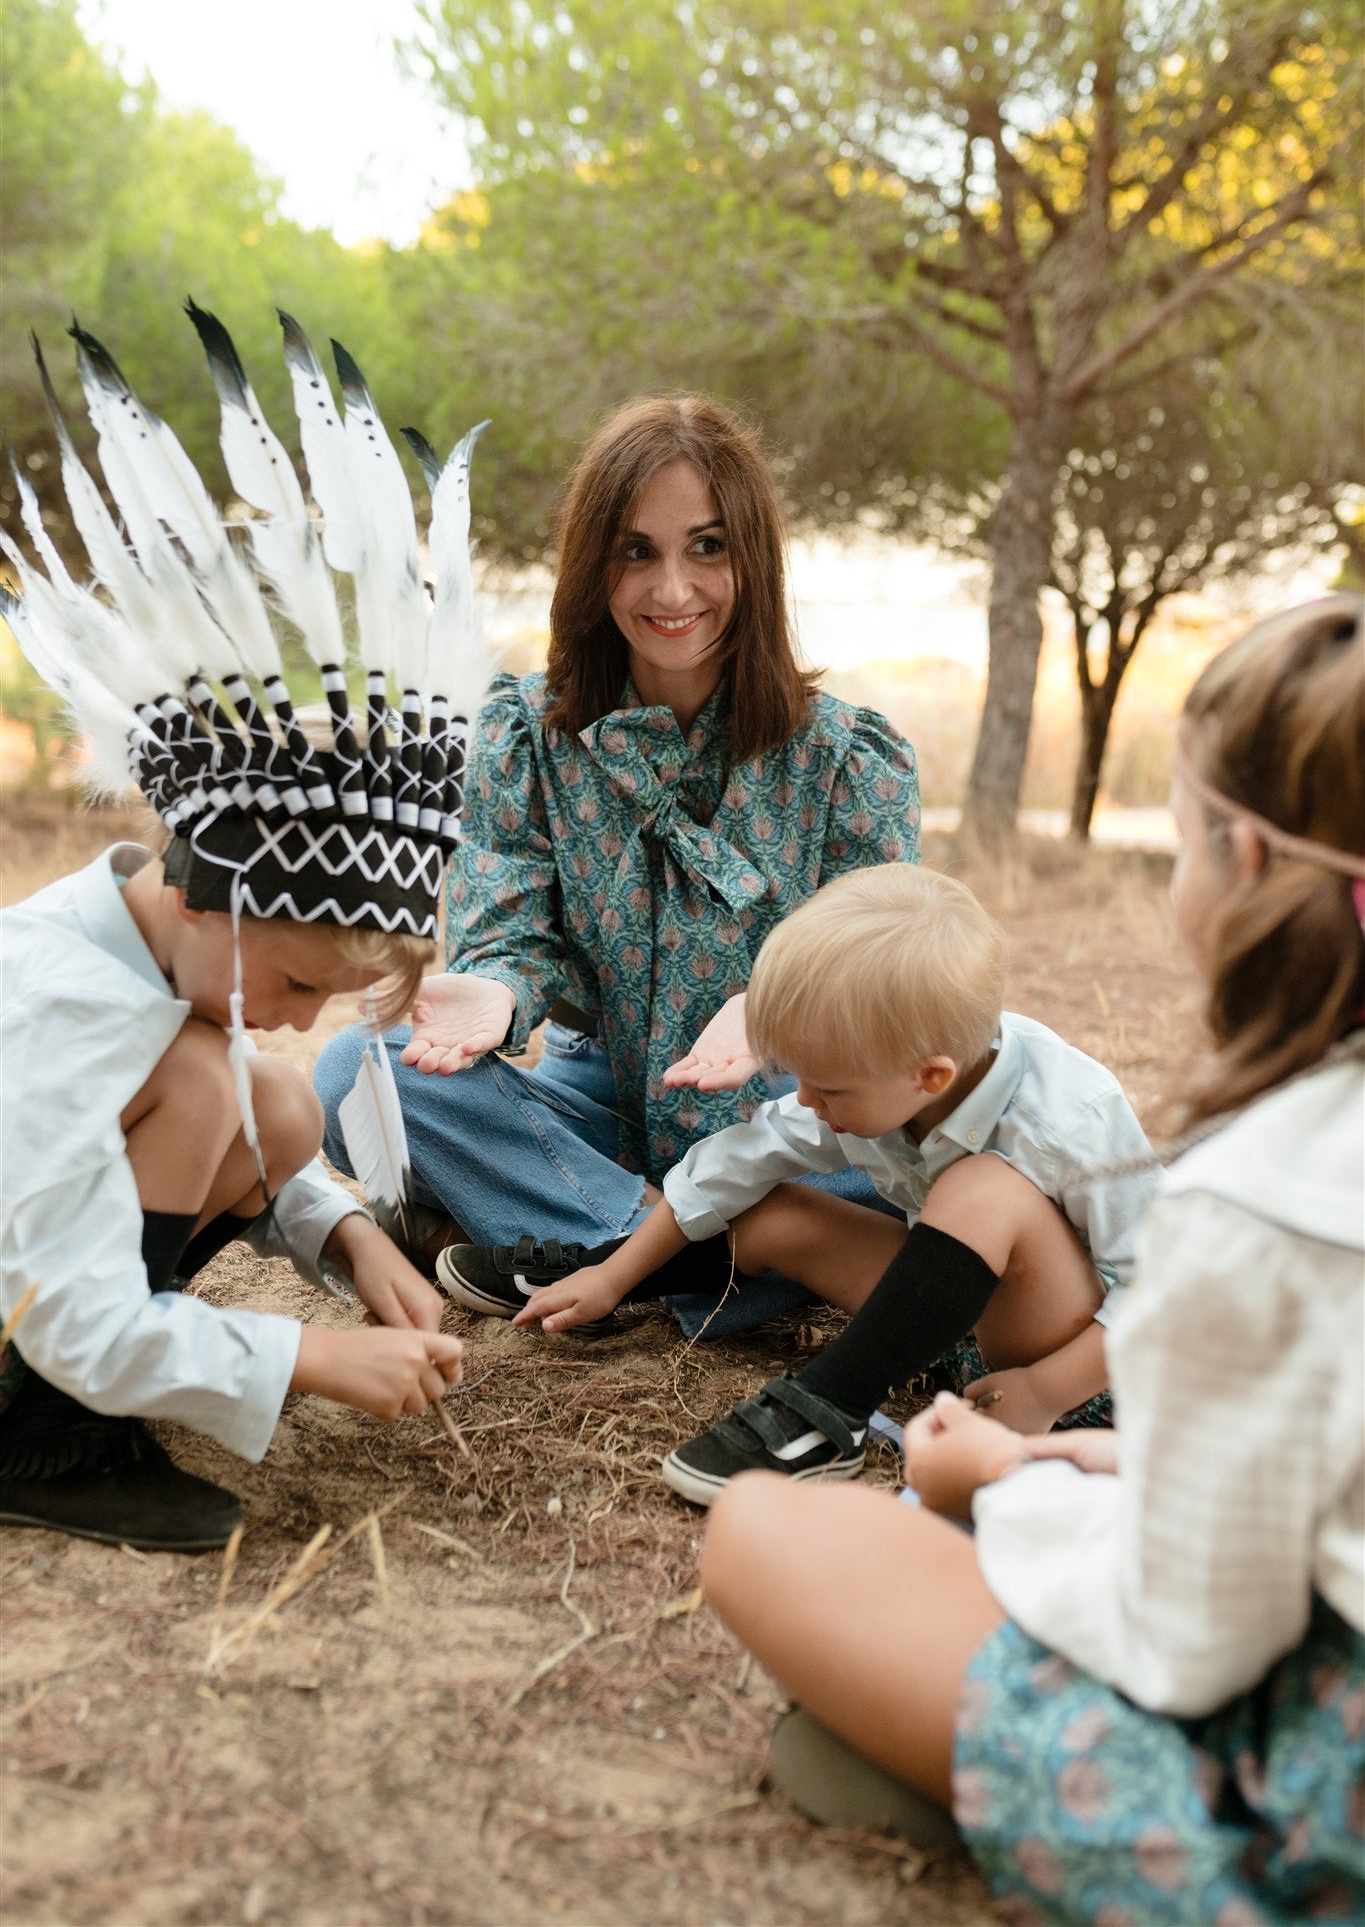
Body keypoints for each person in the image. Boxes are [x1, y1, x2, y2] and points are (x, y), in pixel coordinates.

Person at [700, 596, 1365, 1926]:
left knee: (767, 1532)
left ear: (1238, 858)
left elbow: (1190, 1641)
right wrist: (1108, 1460)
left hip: (1312, 1767)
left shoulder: (1264, 1200)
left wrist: (1002, 1484)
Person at [0, 306, 472, 1552]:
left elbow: (267, 1151)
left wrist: (355, 1240)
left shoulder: (152, 957)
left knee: (280, 1107)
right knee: (215, 1076)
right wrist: (308, 1356)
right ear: (219, 890)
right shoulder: (52, 995)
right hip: (33, 1311)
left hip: (47, 1275)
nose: (305, 1014)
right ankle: (41, 1438)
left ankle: (76, 1415)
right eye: (301, 976)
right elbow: (58, 1298)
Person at [314, 397, 921, 1335]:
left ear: (752, 558)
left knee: (928, 1173)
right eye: (636, 550)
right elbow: (508, 927)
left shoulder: (849, 758)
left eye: (707, 547)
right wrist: (501, 993)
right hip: (590, 1098)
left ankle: (583, 1245)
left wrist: (772, 1013)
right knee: (358, 1072)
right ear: (593, 563)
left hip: (782, 1114)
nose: (671, 589)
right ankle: (703, 1251)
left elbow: (883, 971)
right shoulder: (522, 732)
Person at [498, 863, 1157, 1503]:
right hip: (943, 1330)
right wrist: (613, 1278)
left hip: (1078, 1375)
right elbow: (738, 1161)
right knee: (772, 1211)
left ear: (929, 1077)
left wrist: (1043, 1389)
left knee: (983, 1187)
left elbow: (1164, 1293)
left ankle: (831, 1408)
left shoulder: (1071, 1115)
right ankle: (595, 1275)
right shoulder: (879, 1078)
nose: (805, 1100)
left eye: (826, 1086)